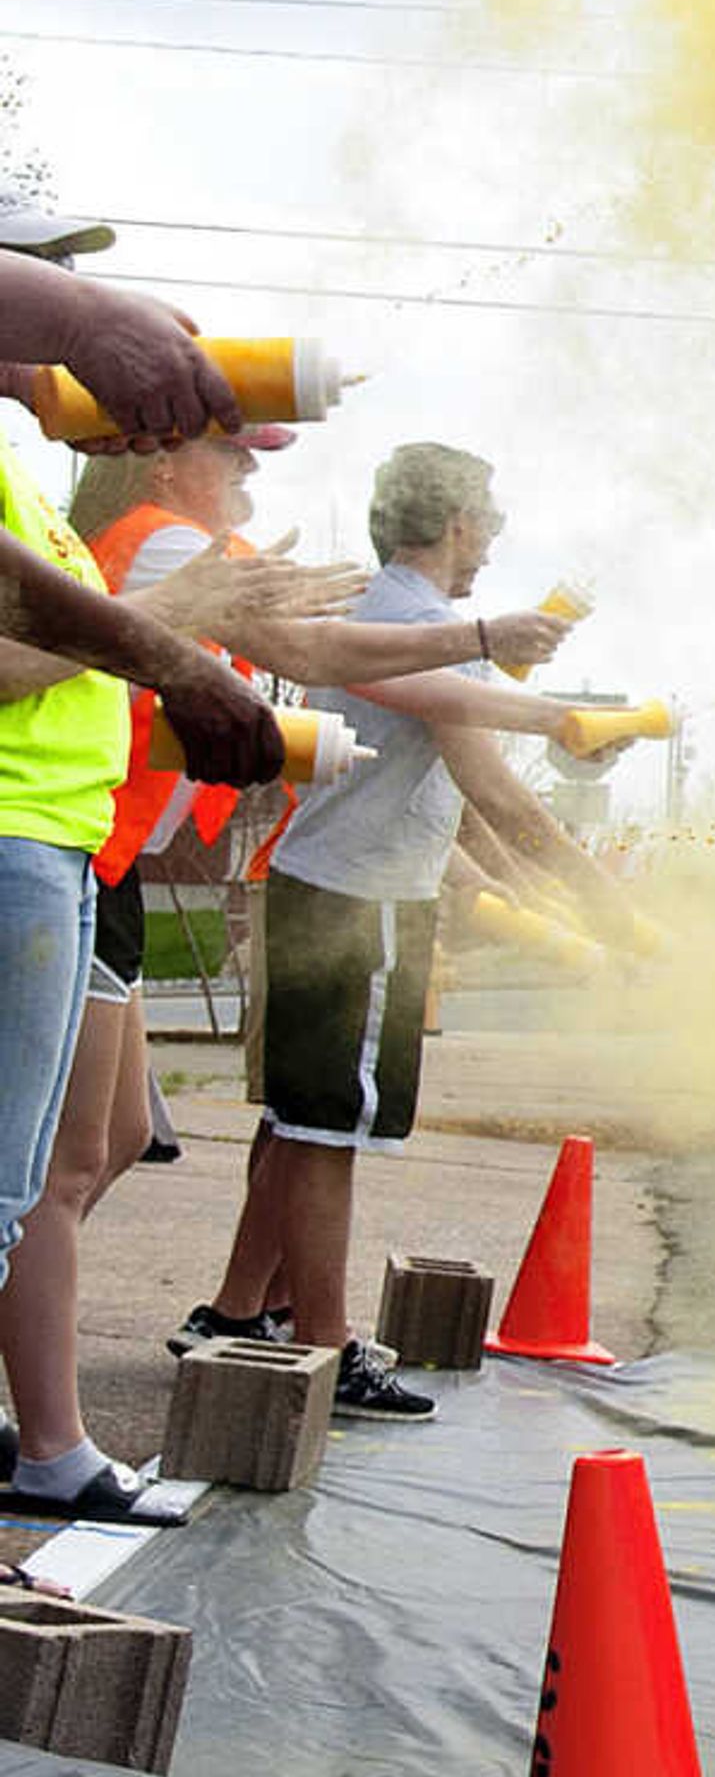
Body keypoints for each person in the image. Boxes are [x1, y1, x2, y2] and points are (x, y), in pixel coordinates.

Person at [0, 429, 576, 1507]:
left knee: (105, 1147)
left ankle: (64, 1391)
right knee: (60, 1170)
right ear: (172, 462)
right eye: (236, 453)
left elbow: (323, 657)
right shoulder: (169, 545)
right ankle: (50, 1436)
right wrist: (511, 661)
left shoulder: (160, 539)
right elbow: (325, 659)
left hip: (89, 849)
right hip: (56, 841)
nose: (252, 478)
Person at [183, 441, 643, 1421]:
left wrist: (544, 905)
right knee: (326, 1135)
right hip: (361, 906)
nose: (493, 543)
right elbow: (496, 791)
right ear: (458, 526)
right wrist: (614, 912)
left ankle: (245, 1317)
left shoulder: (386, 614)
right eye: (490, 523)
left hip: (338, 889)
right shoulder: (429, 629)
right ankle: (324, 1345)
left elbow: (461, 809)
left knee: (300, 1124)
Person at [0, 214, 288, 1500]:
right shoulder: (129, 532)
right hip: (29, 843)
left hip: (59, 853)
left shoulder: (30, 480)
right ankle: (53, 1447)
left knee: (41, 1177)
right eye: (47, 280)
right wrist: (167, 640)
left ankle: (46, 1441)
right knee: (43, 1176)